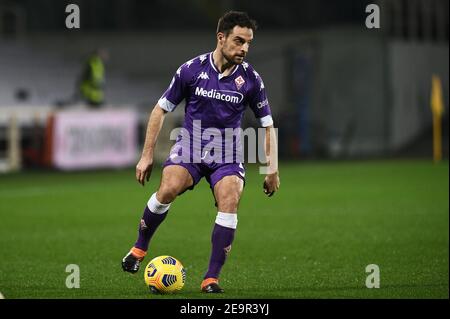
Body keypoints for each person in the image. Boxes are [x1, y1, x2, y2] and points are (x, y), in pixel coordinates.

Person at [121, 11, 280, 293]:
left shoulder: (252, 80)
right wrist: (146, 155)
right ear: (221, 38)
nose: (244, 48)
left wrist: (272, 169)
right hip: (191, 147)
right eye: (238, 40)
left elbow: (267, 126)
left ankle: (211, 278)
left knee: (230, 200)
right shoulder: (191, 70)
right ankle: (139, 249)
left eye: (248, 43)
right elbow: (160, 109)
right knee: (167, 188)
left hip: (227, 155)